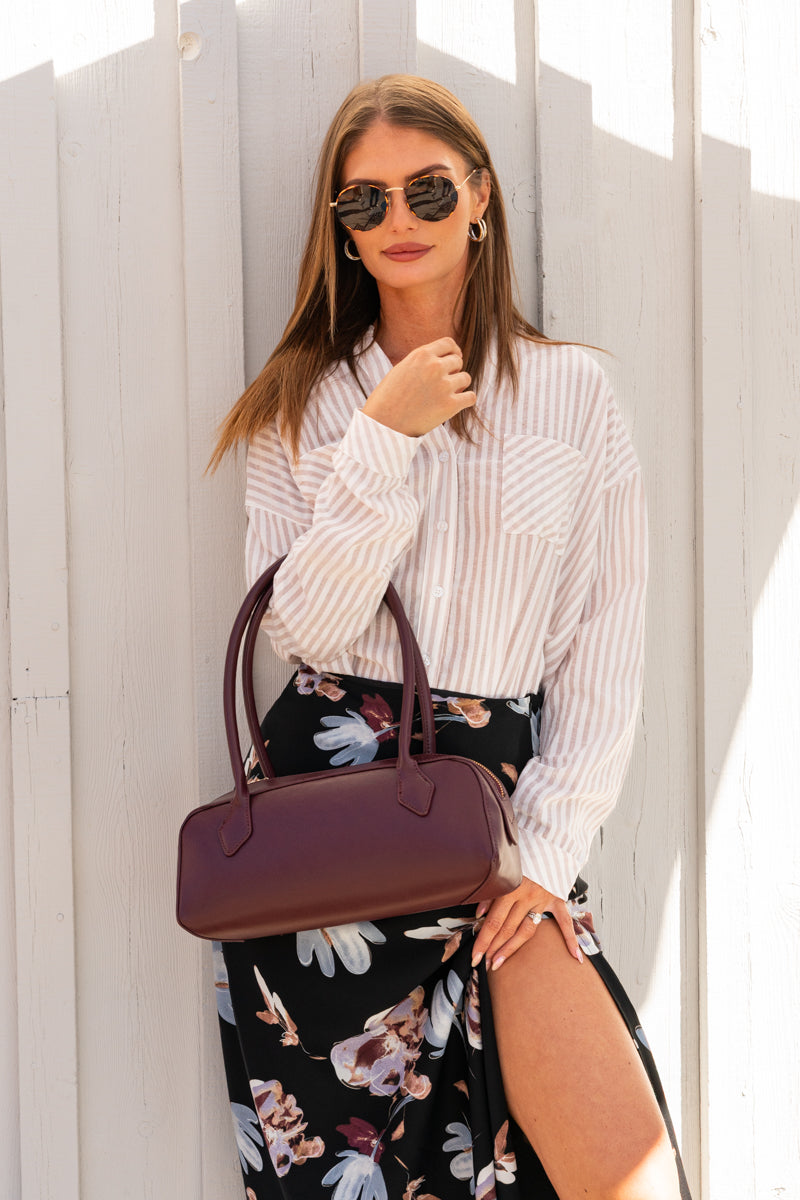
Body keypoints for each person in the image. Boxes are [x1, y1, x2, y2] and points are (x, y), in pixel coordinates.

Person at [208, 74, 691, 1200]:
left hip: (500, 830)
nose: (398, 221)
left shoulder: (572, 394)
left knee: (615, 1170)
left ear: (479, 197)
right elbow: (309, 631)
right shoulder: (302, 405)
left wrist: (546, 859)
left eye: (426, 189)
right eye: (363, 203)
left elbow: (601, 653)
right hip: (326, 851)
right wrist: (381, 439)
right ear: (339, 230)